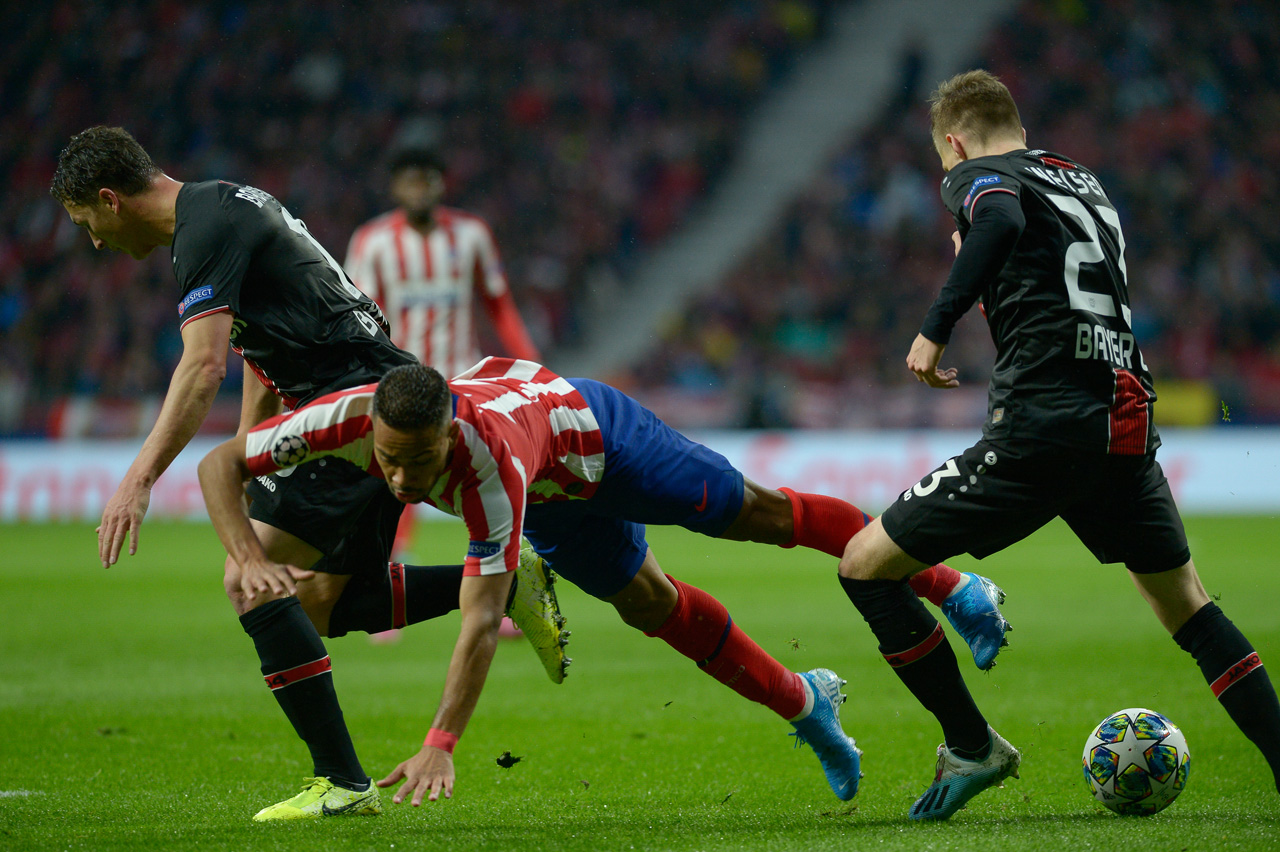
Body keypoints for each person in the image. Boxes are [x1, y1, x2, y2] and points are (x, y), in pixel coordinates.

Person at [199, 356, 1012, 811]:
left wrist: (439, 743)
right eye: (388, 458)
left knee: (757, 515)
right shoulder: (345, 417)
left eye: (420, 460)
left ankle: (954, 587)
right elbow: (219, 463)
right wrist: (246, 553)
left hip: (603, 441)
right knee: (651, 608)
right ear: (368, 426)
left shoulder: (486, 471)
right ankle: (807, 705)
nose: (403, 477)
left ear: (450, 431)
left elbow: (484, 618)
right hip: (561, 498)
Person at [49, 126, 568, 821]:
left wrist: (137, 478)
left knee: (250, 578)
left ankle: (342, 782)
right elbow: (260, 351)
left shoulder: (203, 230)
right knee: (318, 603)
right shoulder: (224, 208)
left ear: (109, 201)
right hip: (368, 392)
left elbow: (202, 366)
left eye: (86, 223)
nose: (92, 240)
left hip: (350, 409)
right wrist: (248, 456)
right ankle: (506, 586)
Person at [836, 70, 1280, 821]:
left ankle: (973, 745)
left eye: (948, 165)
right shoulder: (1083, 183)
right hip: (1122, 418)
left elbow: (1000, 224)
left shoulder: (982, 176)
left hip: (1044, 426)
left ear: (954, 141)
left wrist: (937, 321)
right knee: (1190, 608)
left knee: (865, 567)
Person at [344, 145, 542, 600]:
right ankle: (388, 586)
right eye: (411, 178)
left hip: (463, 379)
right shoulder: (371, 242)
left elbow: (499, 305)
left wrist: (531, 364)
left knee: (490, 476)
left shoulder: (471, 234)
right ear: (396, 186)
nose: (420, 187)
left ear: (442, 184)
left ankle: (506, 590)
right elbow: (357, 317)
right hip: (400, 382)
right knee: (398, 479)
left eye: (429, 178)